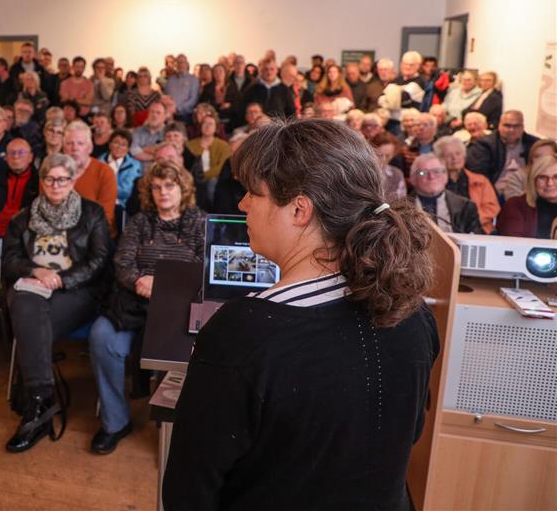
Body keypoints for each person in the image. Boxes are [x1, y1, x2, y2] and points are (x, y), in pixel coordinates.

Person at [163, 119, 439, 510]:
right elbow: (406, 433)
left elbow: (188, 492)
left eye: (253, 193)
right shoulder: (412, 313)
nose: (241, 204)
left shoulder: (242, 334)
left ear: (299, 209)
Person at [90, 161, 204, 454]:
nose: (162, 192)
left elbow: (204, 268)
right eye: (156, 187)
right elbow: (122, 262)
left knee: (183, 348)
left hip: (178, 308)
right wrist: (140, 280)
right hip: (133, 302)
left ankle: (171, 429)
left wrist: (164, 286)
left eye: (169, 186)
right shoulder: (140, 222)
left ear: (183, 188)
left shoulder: (199, 222)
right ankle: (115, 422)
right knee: (101, 337)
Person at [2, 154, 111, 452]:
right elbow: (10, 259)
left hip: (76, 290)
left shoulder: (92, 213)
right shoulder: (23, 218)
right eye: (49, 178)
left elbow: (100, 260)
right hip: (30, 287)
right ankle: (41, 401)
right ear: (42, 181)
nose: (55, 184)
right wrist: (35, 271)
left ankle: (36, 406)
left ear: (73, 181)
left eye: (62, 179)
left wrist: (61, 279)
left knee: (30, 324)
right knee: (26, 305)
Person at [433, 136, 500, 234]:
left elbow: (491, 208)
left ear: (464, 156)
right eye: (448, 155)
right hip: (444, 231)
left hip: (478, 230)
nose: (454, 158)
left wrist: (467, 221)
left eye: (458, 153)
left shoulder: (481, 181)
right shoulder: (433, 182)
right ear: (439, 158)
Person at [64, 120, 119, 232]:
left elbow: (105, 218)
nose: (74, 148)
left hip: (93, 236)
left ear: (90, 148)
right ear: (63, 148)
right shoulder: (53, 171)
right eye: (69, 143)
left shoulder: (105, 172)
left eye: (80, 143)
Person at [409, 153, 482, 234]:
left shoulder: (466, 207)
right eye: (423, 173)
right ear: (412, 179)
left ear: (446, 176)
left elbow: (476, 239)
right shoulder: (399, 208)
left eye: (437, 171)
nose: (431, 177)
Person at [466, 110, 540, 188]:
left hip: (527, 189)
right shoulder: (483, 145)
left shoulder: (534, 144)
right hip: (496, 190)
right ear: (499, 126)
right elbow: (479, 177)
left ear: (522, 127)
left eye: (516, 126)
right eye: (507, 126)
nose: (511, 130)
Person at [0, 138, 40, 238]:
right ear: (6, 158)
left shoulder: (38, 181)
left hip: (24, 233)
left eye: (21, 152)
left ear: (30, 157)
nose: (16, 157)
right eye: (11, 153)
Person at [497, 154, 557, 238]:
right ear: (533, 180)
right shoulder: (515, 205)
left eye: (556, 177)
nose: (549, 183)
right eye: (542, 177)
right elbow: (514, 245)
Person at [99, 129, 141, 230]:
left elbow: (126, 191)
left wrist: (105, 189)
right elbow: (94, 187)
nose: (119, 147)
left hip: (122, 205)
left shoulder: (134, 165)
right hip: (99, 203)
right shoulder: (98, 161)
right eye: (116, 142)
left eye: (123, 144)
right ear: (110, 144)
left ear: (128, 148)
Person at [186, 111, 229, 208]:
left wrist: (203, 176)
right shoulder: (190, 145)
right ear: (200, 126)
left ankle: (211, 211)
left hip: (214, 179)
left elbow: (221, 167)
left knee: (212, 182)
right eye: (204, 123)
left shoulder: (223, 145)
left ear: (216, 128)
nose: (207, 126)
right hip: (193, 178)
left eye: (210, 124)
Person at [236, 58, 296, 125]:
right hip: (255, 130)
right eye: (266, 69)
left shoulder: (284, 90)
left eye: (272, 69)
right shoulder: (251, 89)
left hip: (277, 130)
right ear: (260, 70)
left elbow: (291, 114)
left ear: (277, 70)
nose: (269, 72)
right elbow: (241, 111)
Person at [370, 132, 408, 202]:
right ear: (371, 152)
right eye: (379, 155)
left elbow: (402, 203)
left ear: (393, 154)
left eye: (388, 156)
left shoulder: (397, 174)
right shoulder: (363, 173)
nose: (383, 160)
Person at [163, 54, 200, 120]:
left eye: (182, 62)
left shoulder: (193, 80)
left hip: (186, 116)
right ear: (175, 65)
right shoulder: (170, 80)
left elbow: (193, 99)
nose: (180, 65)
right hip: (170, 116)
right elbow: (166, 96)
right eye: (178, 62)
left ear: (186, 64)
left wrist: (177, 108)